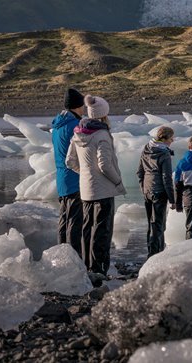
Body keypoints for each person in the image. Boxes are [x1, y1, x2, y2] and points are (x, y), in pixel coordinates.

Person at [65, 94, 126, 275]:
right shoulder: (102, 135)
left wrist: (85, 173)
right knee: (102, 230)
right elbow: (104, 165)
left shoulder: (78, 133)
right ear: (103, 115)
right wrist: (118, 181)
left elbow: (70, 161)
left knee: (87, 228)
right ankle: (99, 269)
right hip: (103, 190)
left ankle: (86, 266)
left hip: (85, 190)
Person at [51, 87, 85, 254]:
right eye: (82, 105)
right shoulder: (75, 125)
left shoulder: (57, 126)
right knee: (75, 221)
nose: (84, 109)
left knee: (64, 220)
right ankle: (74, 257)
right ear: (77, 106)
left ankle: (60, 254)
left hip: (61, 179)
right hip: (74, 178)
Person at [136, 126, 177, 256]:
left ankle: (153, 252)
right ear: (165, 138)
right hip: (159, 192)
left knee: (151, 224)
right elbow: (166, 178)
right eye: (171, 138)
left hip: (147, 191)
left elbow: (140, 172)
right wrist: (172, 199)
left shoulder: (147, 148)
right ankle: (155, 256)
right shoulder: (164, 153)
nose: (172, 140)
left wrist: (143, 188)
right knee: (158, 225)